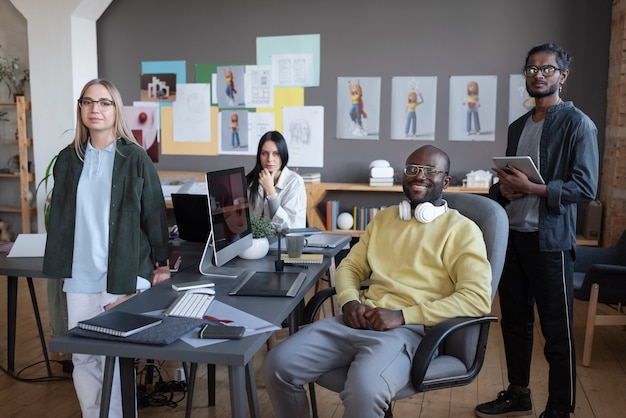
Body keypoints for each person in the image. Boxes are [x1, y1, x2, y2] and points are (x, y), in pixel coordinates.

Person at [262, 145, 493, 418]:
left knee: (365, 389)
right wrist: (349, 302)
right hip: (358, 320)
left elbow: (477, 298)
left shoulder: (463, 231)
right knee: (277, 364)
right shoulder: (384, 219)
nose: (419, 176)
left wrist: (403, 316)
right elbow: (350, 266)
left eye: (429, 171)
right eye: (412, 169)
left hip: (409, 333)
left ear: (445, 181)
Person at [475, 43, 599, 418]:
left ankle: (561, 407)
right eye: (531, 69)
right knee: (514, 323)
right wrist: (504, 189)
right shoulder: (518, 126)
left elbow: (585, 188)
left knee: (557, 332)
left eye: (547, 69)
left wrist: (532, 189)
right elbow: (506, 184)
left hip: (551, 243)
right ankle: (518, 393)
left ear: (562, 76)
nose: (538, 75)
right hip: (512, 238)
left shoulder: (579, 124)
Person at [42, 78, 171, 418]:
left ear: (116, 110)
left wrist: (160, 264)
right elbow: (62, 220)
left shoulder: (135, 158)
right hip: (80, 276)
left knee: (114, 356)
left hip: (121, 272)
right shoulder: (68, 160)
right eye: (87, 102)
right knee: (83, 356)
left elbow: (154, 213)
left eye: (103, 102)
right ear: (81, 109)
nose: (94, 109)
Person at [246, 130, 306, 231]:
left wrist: (270, 191)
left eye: (276, 154)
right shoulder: (250, 180)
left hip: (284, 243)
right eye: (264, 153)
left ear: (283, 155)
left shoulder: (294, 182)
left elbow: (288, 228)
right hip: (257, 243)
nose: (269, 159)